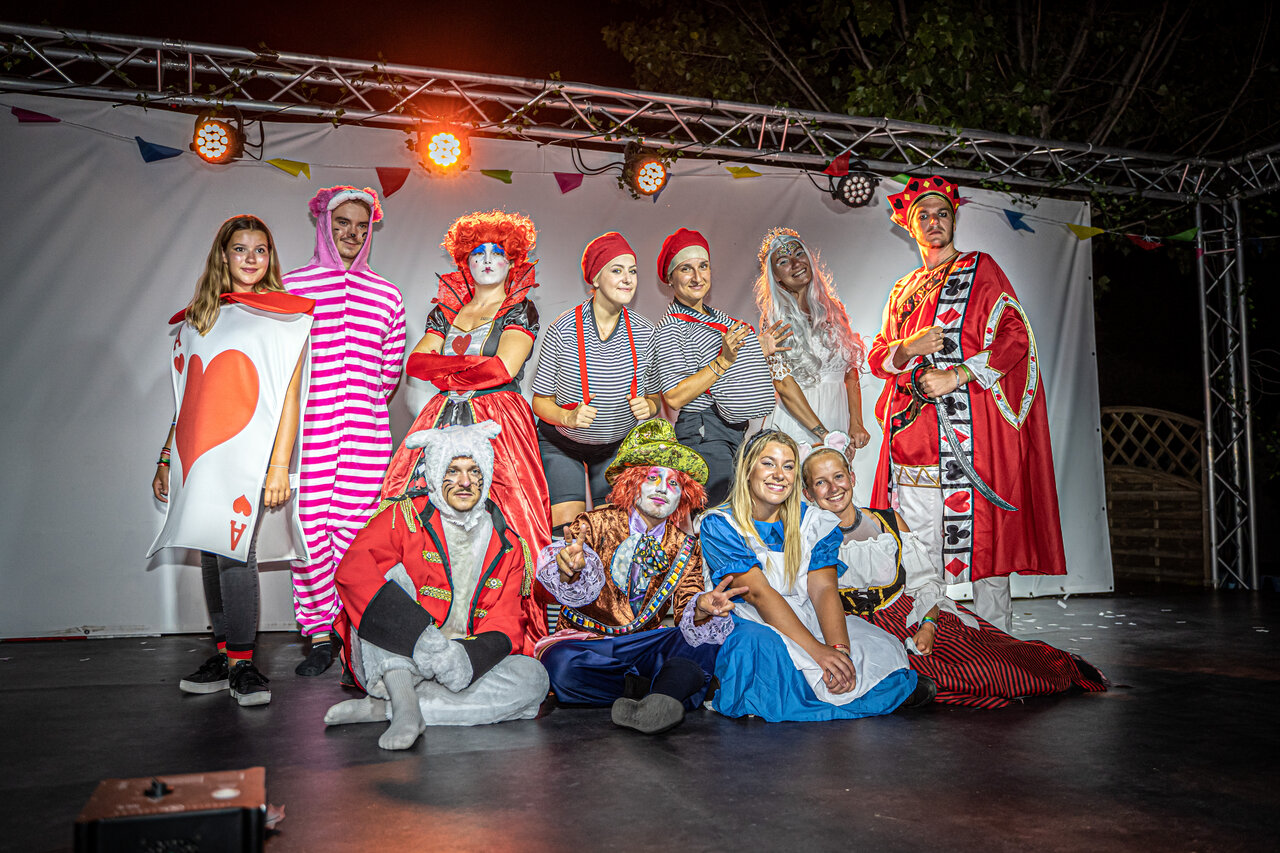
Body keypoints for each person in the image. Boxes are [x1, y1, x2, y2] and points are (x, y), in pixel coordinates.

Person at [869, 176, 1065, 632]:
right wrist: (909, 347)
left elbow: (1015, 334)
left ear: (954, 219)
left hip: (973, 435)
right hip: (913, 439)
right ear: (909, 226)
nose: (933, 222)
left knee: (987, 545)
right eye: (923, 215)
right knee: (917, 552)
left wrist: (957, 374)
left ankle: (998, 647)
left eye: (942, 213)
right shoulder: (902, 289)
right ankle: (928, 647)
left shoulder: (981, 267)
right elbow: (879, 355)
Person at [802, 443, 1108, 707]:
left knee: (989, 668)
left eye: (838, 476)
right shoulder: (804, 537)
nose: (833, 488)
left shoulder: (888, 522)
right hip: (850, 630)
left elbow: (925, 583)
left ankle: (1062, 667)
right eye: (821, 482)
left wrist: (928, 625)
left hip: (906, 617)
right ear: (808, 493)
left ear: (852, 477)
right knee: (900, 679)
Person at [150, 215, 313, 706]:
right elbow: (187, 395)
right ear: (223, 255)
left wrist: (279, 465)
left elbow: (289, 397)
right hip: (201, 453)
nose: (250, 258)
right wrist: (166, 457)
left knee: (237, 551)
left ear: (270, 257)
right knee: (210, 548)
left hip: (252, 454)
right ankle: (223, 656)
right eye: (240, 249)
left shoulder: (285, 315)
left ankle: (243, 663)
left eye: (260, 250)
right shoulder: (199, 318)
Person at [380, 210, 552, 652]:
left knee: (510, 515)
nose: (488, 260)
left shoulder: (519, 308)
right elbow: (417, 363)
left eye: (498, 252)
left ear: (513, 261)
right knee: (415, 509)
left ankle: (504, 632)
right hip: (442, 415)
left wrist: (449, 369)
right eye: (478, 252)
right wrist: (468, 368)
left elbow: (503, 368)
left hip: (500, 419)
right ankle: (427, 624)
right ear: (464, 261)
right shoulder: (446, 311)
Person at [324, 422, 549, 750]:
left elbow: (506, 624)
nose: (465, 482)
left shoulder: (509, 543)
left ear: (486, 476)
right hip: (396, 654)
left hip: (456, 659)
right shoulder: (403, 516)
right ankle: (403, 701)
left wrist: (462, 659)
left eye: (474, 471)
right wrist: (420, 638)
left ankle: (388, 708)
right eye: (453, 470)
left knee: (534, 678)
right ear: (435, 473)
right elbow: (352, 572)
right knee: (391, 578)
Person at [699, 429, 934, 722]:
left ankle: (835, 687)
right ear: (747, 469)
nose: (779, 474)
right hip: (749, 618)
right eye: (768, 463)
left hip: (804, 616)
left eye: (788, 466)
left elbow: (823, 590)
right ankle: (821, 694)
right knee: (760, 646)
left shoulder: (813, 521)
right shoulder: (720, 523)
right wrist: (817, 652)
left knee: (876, 644)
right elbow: (758, 594)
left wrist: (839, 650)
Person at [534, 419, 740, 734]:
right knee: (561, 665)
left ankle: (660, 700)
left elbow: (687, 605)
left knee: (702, 644)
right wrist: (568, 570)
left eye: (674, 483)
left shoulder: (685, 545)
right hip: (589, 644)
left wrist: (701, 608)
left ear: (683, 495)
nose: (662, 489)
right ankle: (656, 691)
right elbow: (565, 575)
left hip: (645, 644)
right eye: (652, 478)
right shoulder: (592, 523)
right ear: (632, 482)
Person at [283, 186, 407, 675]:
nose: (352, 234)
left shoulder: (387, 296)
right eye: (342, 224)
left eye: (361, 225)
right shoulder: (292, 287)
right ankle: (319, 633)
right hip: (309, 435)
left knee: (356, 537)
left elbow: (389, 374)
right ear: (324, 225)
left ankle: (353, 628)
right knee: (308, 534)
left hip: (364, 436)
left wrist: (361, 406)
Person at [532, 232, 661, 534]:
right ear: (595, 279)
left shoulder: (646, 332)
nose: (627, 279)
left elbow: (655, 397)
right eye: (617, 270)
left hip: (615, 448)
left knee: (611, 534)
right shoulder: (562, 329)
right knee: (569, 533)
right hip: (562, 444)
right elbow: (540, 401)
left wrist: (650, 406)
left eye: (632, 271)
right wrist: (567, 417)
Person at [654, 228, 784, 507]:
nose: (697, 277)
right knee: (718, 517)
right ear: (670, 278)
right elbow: (674, 397)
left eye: (703, 266)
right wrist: (722, 360)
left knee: (738, 516)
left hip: (734, 431)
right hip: (704, 431)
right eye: (686, 269)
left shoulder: (719, 319)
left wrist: (756, 351)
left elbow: (729, 374)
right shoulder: (670, 328)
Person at [754, 227, 870, 453]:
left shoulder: (834, 309)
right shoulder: (775, 319)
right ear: (775, 276)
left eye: (799, 254)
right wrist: (823, 434)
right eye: (783, 261)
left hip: (836, 421)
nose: (795, 263)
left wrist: (856, 422)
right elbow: (783, 384)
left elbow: (850, 370)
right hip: (798, 426)